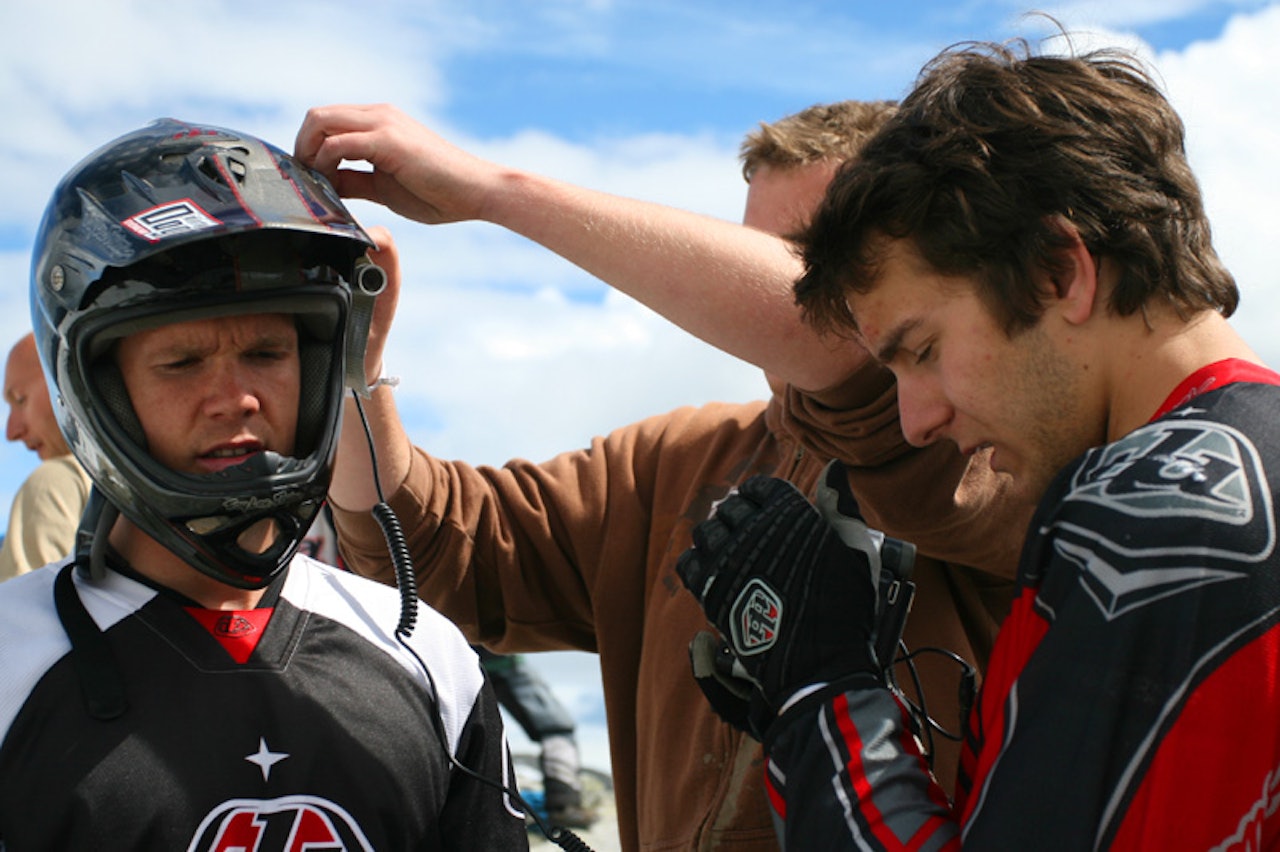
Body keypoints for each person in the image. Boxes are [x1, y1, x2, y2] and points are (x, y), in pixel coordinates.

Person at [295, 101, 1035, 850]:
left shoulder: (979, 442)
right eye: (754, 253)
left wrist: (495, 191)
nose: (779, 283)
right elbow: (431, 549)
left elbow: (840, 343)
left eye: (812, 254)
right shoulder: (678, 458)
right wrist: (356, 374)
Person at [677, 37, 1280, 849]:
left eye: (920, 350)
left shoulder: (1141, 516)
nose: (917, 419)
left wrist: (821, 693)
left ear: (1057, 273)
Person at [0, 118, 527, 849]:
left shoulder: (426, 659)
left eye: (268, 351)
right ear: (96, 388)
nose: (236, 399)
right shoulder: (10, 661)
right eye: (181, 361)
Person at [0, 331, 93, 580]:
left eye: (20, 400)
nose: (11, 432)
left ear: (66, 379)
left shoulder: (55, 480)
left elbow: (25, 614)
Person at [476, 647, 598, 828]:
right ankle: (563, 806)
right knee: (557, 729)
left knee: (467, 734)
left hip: (453, 657)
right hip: (500, 658)